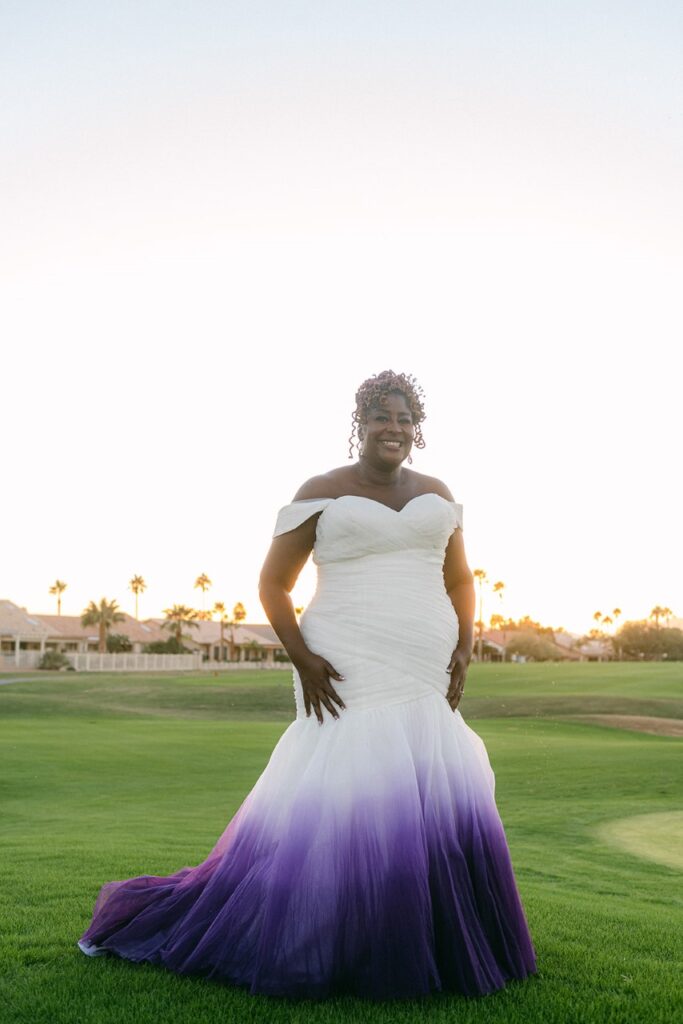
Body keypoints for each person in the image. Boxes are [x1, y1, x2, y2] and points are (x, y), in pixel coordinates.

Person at [76, 369, 537, 1000]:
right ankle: (326, 941)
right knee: (348, 785)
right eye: (381, 417)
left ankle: (429, 934)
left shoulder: (438, 491)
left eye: (405, 420)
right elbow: (273, 585)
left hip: (425, 661)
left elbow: (460, 579)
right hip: (344, 657)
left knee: (432, 781)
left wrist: (465, 644)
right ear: (361, 422)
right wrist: (303, 660)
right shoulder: (321, 490)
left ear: (416, 429)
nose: (393, 429)